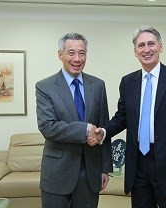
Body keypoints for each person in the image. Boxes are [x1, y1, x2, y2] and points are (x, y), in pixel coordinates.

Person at [97, 26, 166, 208]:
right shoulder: (128, 82)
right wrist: (103, 131)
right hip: (138, 164)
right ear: (135, 51)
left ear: (160, 46)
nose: (146, 49)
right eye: (141, 45)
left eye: (151, 44)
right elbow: (122, 118)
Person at [35, 32, 112, 208]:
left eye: (82, 53)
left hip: (91, 171)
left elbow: (103, 127)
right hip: (57, 172)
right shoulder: (45, 87)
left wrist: (105, 168)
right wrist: (85, 130)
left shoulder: (98, 85)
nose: (77, 59)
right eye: (71, 53)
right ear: (60, 54)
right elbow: (48, 126)